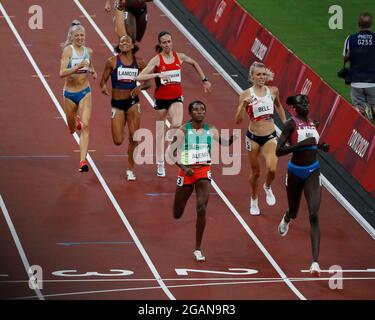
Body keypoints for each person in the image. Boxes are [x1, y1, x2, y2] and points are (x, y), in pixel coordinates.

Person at [136, 31, 212, 177]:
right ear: (160, 44)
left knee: (177, 124)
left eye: (169, 41)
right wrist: (157, 74)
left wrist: (204, 79)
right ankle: (160, 164)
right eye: (164, 42)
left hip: (176, 97)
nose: (167, 45)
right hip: (160, 100)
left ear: (172, 42)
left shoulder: (180, 56)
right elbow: (140, 76)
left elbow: (194, 63)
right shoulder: (156, 60)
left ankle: (171, 149)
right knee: (159, 134)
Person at [168, 100, 234, 261]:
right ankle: (181, 206)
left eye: (202, 109)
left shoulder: (210, 129)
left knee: (201, 207)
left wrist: (231, 139)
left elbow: (223, 142)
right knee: (177, 214)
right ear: (190, 114)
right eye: (196, 110)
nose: (200, 112)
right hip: (186, 172)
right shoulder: (183, 130)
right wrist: (184, 168)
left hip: (204, 171)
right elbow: (171, 153)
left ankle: (198, 249)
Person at [275, 94, 329, 276]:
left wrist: (320, 147)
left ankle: (315, 262)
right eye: (301, 103)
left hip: (313, 171)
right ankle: (287, 217)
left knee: (314, 214)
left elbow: (312, 144)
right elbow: (278, 151)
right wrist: (301, 145)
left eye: (306, 101)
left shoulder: (314, 123)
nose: (305, 104)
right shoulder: (290, 124)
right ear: (294, 108)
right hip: (295, 171)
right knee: (294, 211)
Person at [235, 61, 286, 215]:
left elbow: (278, 106)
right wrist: (243, 106)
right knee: (256, 172)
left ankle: (267, 187)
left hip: (270, 136)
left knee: (272, 169)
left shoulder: (273, 91)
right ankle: (254, 200)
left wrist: (285, 122)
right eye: (258, 74)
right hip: (253, 138)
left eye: (264, 74)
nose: (262, 77)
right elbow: (237, 121)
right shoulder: (246, 94)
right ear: (252, 76)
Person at [100, 35, 150, 180]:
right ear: (119, 45)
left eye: (127, 41)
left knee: (134, 137)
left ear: (133, 45)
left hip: (133, 103)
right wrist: (103, 87)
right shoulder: (112, 61)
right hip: (117, 104)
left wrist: (140, 88)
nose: (124, 43)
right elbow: (103, 81)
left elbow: (148, 83)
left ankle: (130, 169)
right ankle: (121, 128)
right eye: (122, 41)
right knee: (118, 140)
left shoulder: (140, 62)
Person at [59, 20, 97, 172]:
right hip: (69, 93)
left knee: (86, 126)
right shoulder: (68, 51)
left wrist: (93, 72)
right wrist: (76, 67)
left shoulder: (89, 51)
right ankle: (75, 123)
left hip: (84, 91)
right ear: (72, 37)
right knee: (71, 129)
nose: (80, 38)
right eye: (77, 35)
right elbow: (61, 73)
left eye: (82, 35)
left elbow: (89, 64)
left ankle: (83, 161)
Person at [343, 12, 375, 122]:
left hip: (356, 81)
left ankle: (364, 122)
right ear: (371, 24)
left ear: (358, 24)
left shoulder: (351, 38)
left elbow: (345, 58)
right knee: (374, 107)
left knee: (358, 109)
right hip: (373, 81)